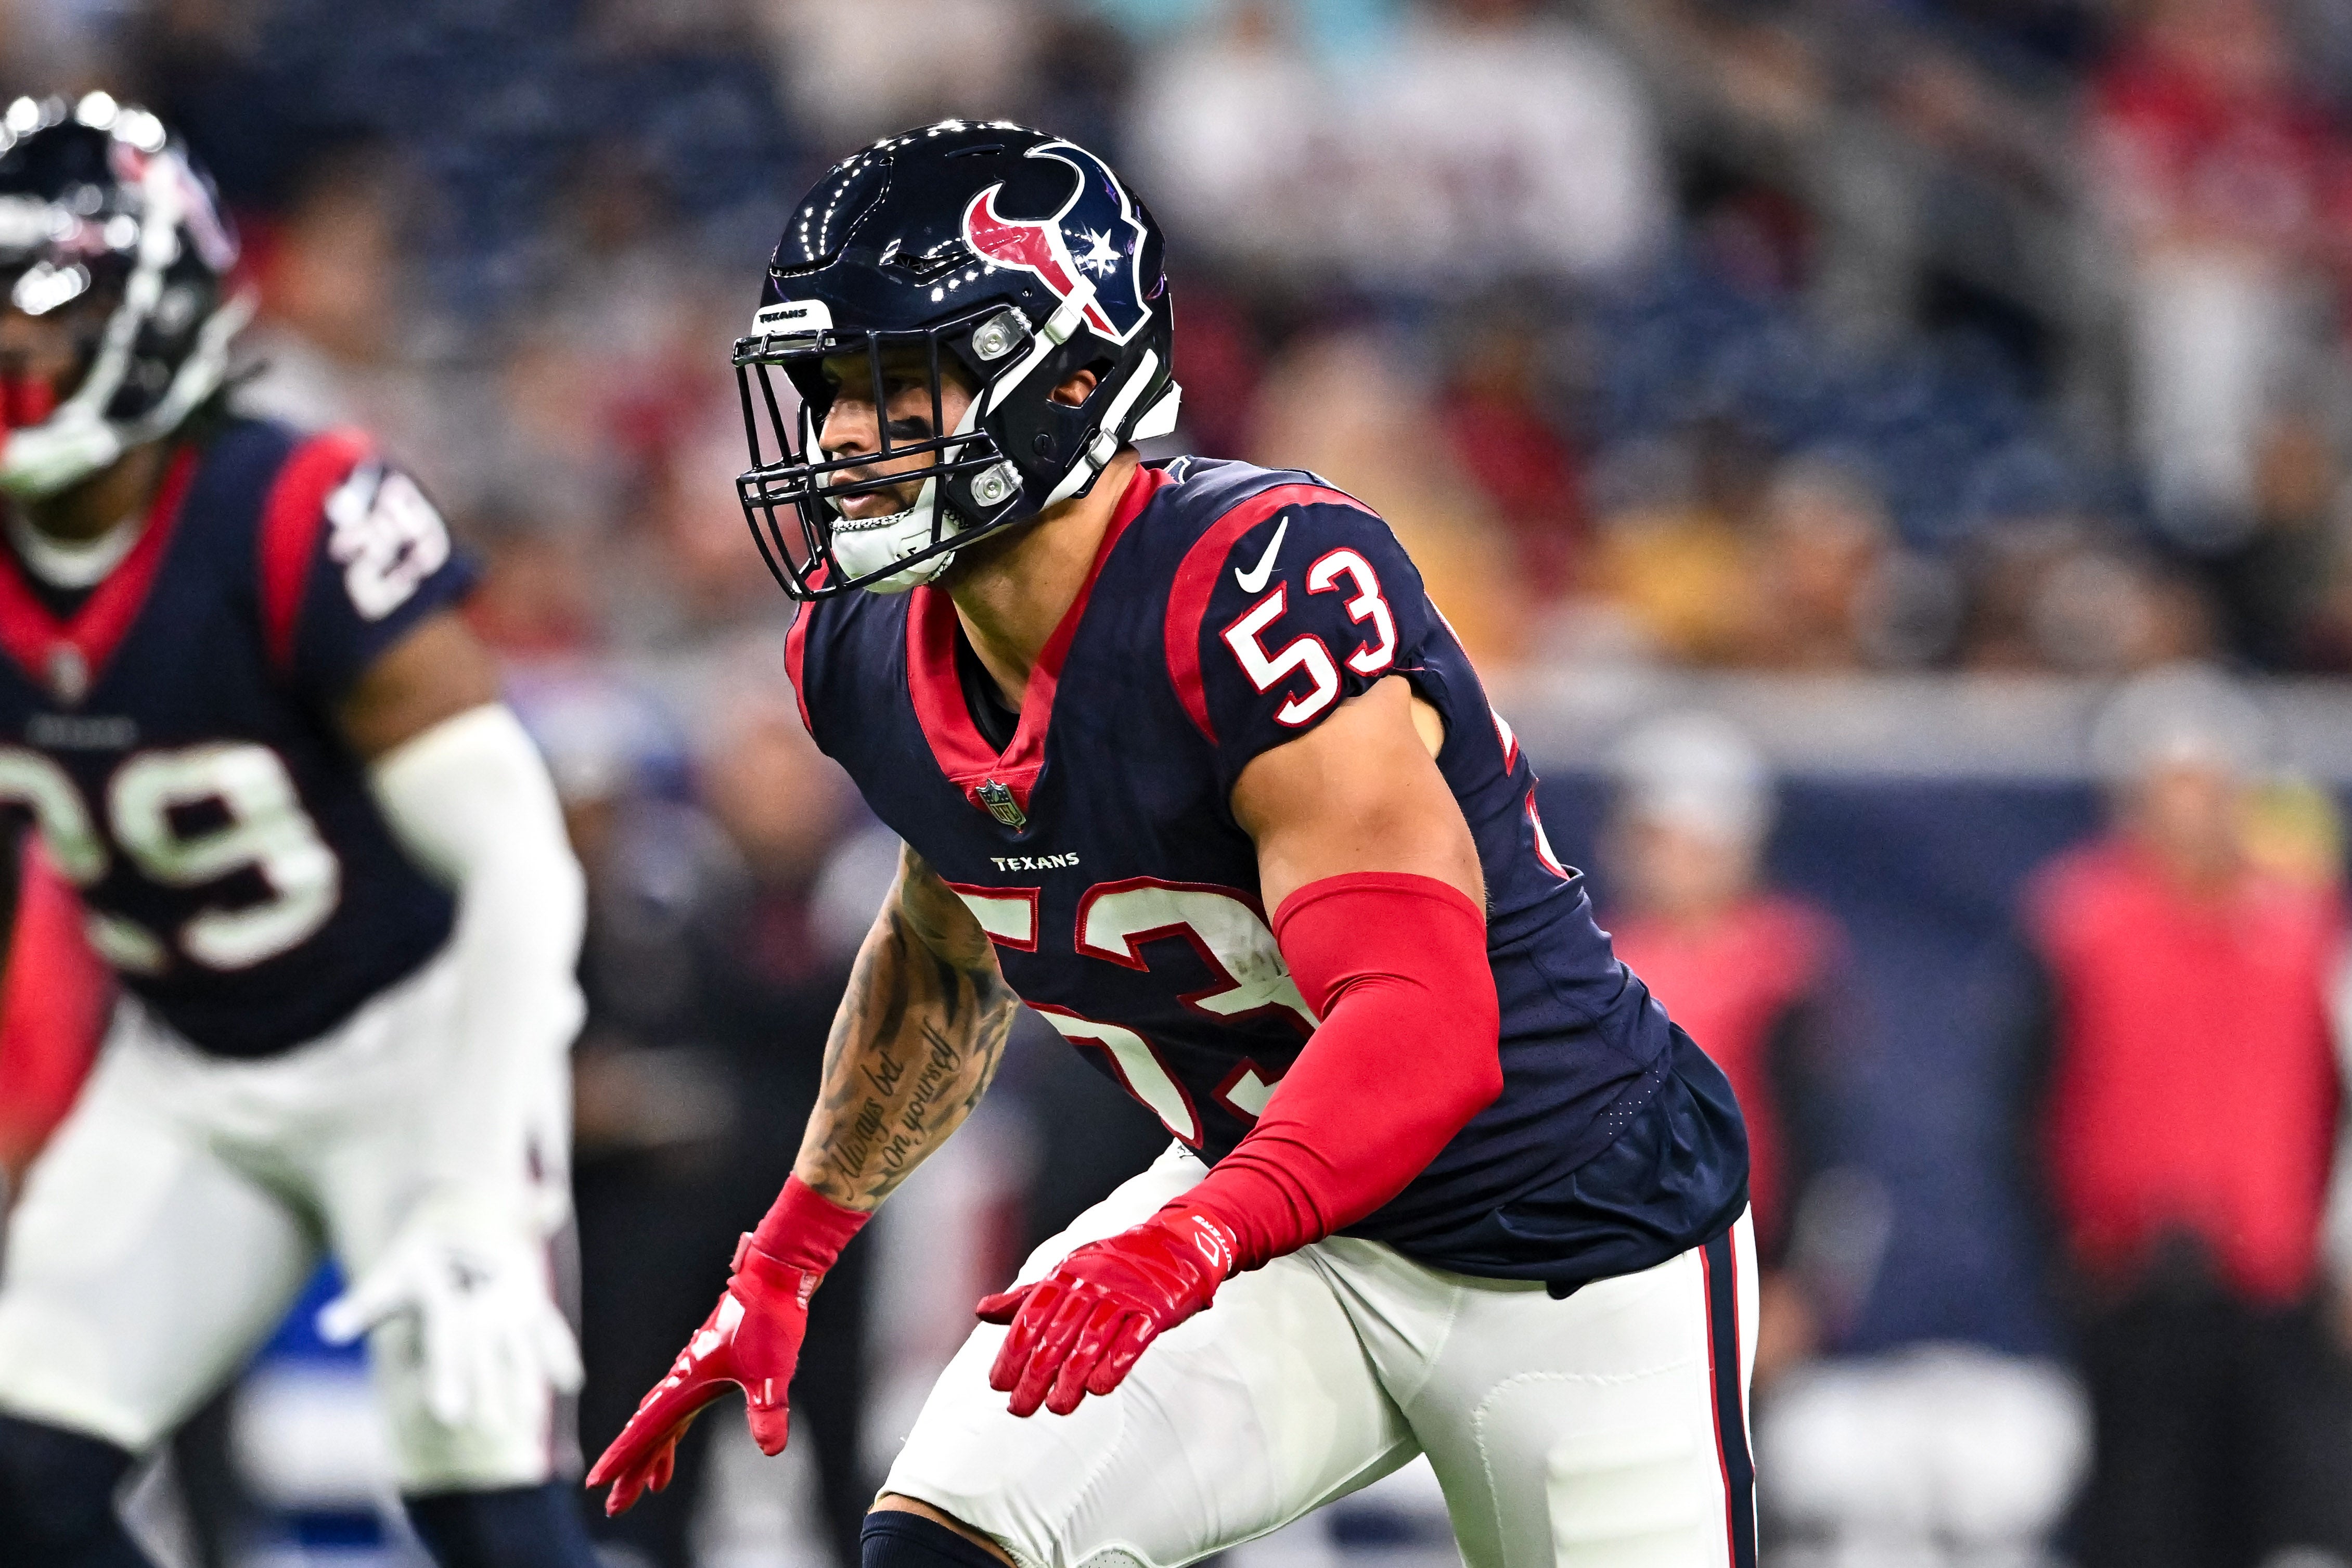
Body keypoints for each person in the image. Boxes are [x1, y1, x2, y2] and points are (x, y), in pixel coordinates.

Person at [590, 121, 1756, 1568]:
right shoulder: (865, 649)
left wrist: (1193, 1236)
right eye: (829, 393)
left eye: (896, 386)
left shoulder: (1252, 585)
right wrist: (787, 1255)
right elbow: (950, 953)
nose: (838, 439)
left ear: (1069, 379)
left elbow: (1424, 1023)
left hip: (1565, 1230)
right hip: (1262, 1216)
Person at [0, 95, 599, 1567]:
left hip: (414, 1049)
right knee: (20, 1477)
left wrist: (471, 1183)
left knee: (489, 1509)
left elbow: (518, 856)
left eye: (33, 328)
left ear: (145, 318)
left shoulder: (292, 504)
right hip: (189, 1060)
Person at [2023, 664, 2352, 1568]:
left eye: (2206, 786)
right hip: (2132, 1274)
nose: (2189, 811)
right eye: (2169, 787)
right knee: (2140, 1521)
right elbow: (2026, 1097)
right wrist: (2066, 1244)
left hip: (2273, 1283)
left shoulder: (2303, 926)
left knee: (2285, 1521)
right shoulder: (2079, 920)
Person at [1602, 713, 1845, 1388]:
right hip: (1617, 1254)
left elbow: (1828, 1137)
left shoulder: (1784, 963)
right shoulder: (1600, 958)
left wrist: (1803, 1283)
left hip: (1742, 1249)